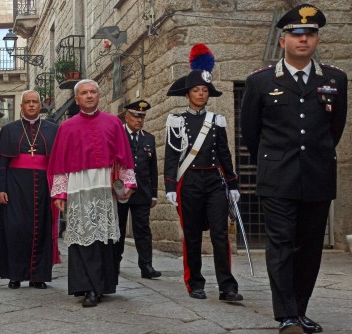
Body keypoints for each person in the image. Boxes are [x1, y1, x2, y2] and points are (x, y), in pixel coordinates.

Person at [241, 5, 347, 334]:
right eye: (297, 34)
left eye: (310, 34)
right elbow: (250, 132)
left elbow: (335, 129)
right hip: (278, 178)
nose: (304, 40)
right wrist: (273, 161)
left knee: (310, 248)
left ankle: (300, 311)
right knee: (281, 244)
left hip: (317, 176)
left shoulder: (335, 79)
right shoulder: (260, 82)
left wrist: (315, 157)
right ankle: (286, 315)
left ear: (317, 40)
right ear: (283, 39)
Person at [164, 44, 243, 302]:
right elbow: (172, 156)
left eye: (204, 90)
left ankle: (227, 286)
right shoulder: (176, 120)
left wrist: (232, 185)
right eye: (196, 90)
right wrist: (169, 186)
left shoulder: (217, 120)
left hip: (214, 182)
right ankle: (195, 283)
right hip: (190, 182)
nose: (201, 94)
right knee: (192, 235)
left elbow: (225, 153)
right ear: (188, 94)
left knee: (220, 234)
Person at [47, 79, 136, 307]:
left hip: (105, 187)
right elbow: (59, 162)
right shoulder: (66, 127)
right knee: (83, 237)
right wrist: (59, 193)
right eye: (84, 93)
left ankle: (103, 285)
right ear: (76, 99)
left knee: (103, 238)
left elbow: (124, 157)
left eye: (93, 92)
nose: (88, 96)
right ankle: (87, 287)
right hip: (79, 185)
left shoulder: (113, 123)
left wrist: (126, 184)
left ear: (99, 96)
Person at [0, 90, 59, 289]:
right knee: (16, 230)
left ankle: (37, 276)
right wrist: (0, 189)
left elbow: (57, 162)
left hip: (43, 187)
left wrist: (58, 189)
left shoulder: (52, 129)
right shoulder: (9, 130)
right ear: (21, 106)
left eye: (35, 102)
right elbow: (1, 162)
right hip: (15, 186)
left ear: (40, 105)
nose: (31, 105)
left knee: (40, 230)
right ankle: (15, 275)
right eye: (27, 102)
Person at [115, 100, 161, 279]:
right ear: (126, 116)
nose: (139, 120)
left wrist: (154, 194)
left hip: (142, 191)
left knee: (143, 230)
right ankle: (114, 263)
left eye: (142, 116)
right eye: (136, 116)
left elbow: (153, 168)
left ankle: (146, 266)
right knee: (117, 229)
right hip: (121, 190)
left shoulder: (148, 138)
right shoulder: (118, 136)